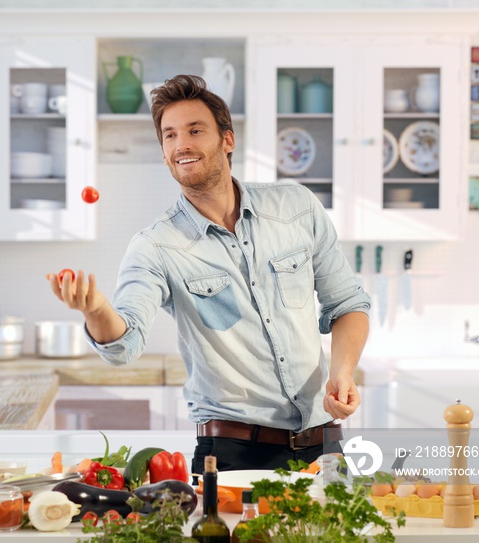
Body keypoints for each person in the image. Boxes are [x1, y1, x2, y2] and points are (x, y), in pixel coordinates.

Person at [47, 74, 370, 475]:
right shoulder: (155, 246)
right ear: (164, 153)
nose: (181, 144)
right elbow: (123, 344)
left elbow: (348, 304)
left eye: (195, 130)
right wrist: (95, 308)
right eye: (169, 136)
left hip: (324, 442)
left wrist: (342, 372)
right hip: (234, 454)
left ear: (227, 140)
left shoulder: (296, 208)